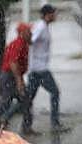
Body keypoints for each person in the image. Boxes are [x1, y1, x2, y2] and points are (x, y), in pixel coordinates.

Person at [24, 5, 65, 135]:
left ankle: (5, 116)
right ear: (48, 15)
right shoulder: (41, 27)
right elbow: (31, 40)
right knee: (55, 92)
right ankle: (55, 123)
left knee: (27, 99)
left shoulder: (44, 26)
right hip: (40, 69)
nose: (55, 16)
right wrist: (26, 36)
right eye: (53, 13)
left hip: (36, 69)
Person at [0, 23, 33, 133]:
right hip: (9, 76)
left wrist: (21, 80)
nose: (31, 33)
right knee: (8, 100)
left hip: (12, 76)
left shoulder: (23, 43)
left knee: (24, 100)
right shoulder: (18, 44)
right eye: (29, 31)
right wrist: (19, 81)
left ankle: (24, 126)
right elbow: (13, 63)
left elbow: (18, 65)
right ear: (22, 33)